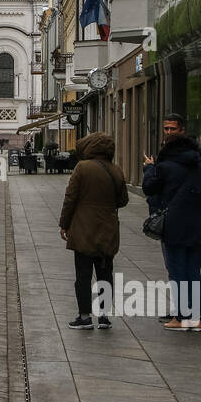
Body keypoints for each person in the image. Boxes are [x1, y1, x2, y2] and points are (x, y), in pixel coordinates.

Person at [143, 113, 201, 332]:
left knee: (177, 270)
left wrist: (149, 168)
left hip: (174, 224)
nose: (169, 132)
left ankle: (182, 316)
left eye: (172, 129)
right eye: (166, 129)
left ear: (182, 130)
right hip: (197, 224)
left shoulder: (166, 164)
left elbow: (149, 187)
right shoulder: (199, 163)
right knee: (192, 270)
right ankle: (195, 317)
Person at [59, 132, 128, 329]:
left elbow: (70, 198)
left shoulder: (82, 167)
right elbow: (123, 200)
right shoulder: (116, 170)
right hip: (108, 229)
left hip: (83, 229)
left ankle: (84, 316)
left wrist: (64, 224)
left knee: (83, 274)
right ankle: (104, 317)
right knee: (105, 272)